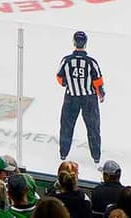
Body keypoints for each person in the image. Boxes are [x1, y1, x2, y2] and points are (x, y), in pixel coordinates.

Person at [55, 31, 104, 164]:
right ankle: (96, 156)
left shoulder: (67, 60)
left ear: (74, 42)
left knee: (66, 126)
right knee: (93, 127)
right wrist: (101, 93)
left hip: (71, 97)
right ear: (86, 43)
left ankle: (63, 154)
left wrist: (67, 83)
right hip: (89, 98)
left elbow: (60, 78)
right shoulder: (91, 62)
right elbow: (98, 80)